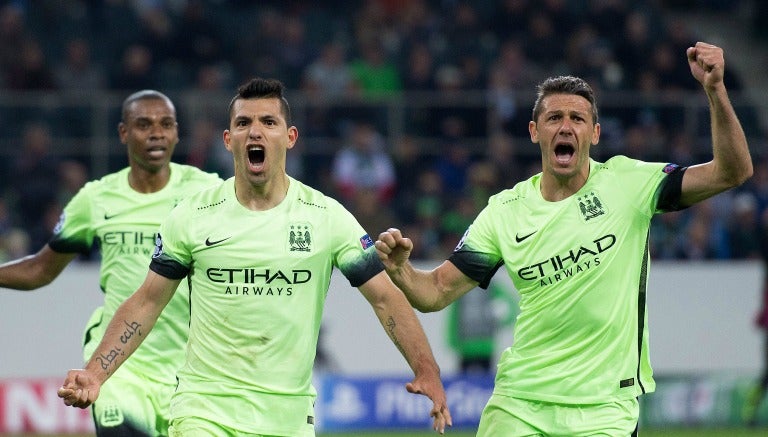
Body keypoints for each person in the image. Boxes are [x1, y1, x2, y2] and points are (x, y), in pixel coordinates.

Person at [375, 42, 752, 436]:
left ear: (595, 133)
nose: (566, 126)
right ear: (535, 132)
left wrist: (715, 91)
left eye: (578, 118)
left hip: (605, 408)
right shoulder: (505, 211)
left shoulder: (629, 183)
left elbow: (733, 171)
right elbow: (435, 292)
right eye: (554, 117)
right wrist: (402, 271)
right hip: (520, 403)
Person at [57, 77, 452, 436]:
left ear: (290, 136)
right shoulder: (192, 216)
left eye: (268, 121)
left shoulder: (326, 217)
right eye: (244, 123)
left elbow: (385, 298)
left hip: (288, 417)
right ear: (228, 139)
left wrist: (426, 369)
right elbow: (146, 302)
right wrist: (96, 373)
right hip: (204, 412)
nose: (255, 131)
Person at [0, 89, 222, 436]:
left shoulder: (207, 192)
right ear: (123, 133)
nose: (156, 133)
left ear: (177, 133)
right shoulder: (96, 198)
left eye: (166, 124)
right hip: (118, 366)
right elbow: (41, 269)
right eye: (144, 124)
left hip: (189, 368)